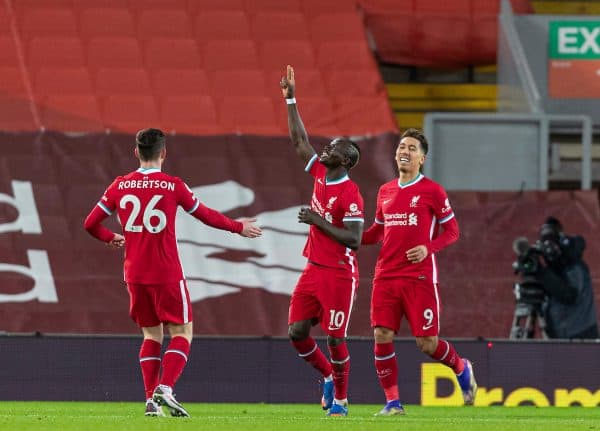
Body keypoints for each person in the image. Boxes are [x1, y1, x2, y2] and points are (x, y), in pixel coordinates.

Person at [83, 128, 262, 417]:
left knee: (151, 336)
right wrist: (238, 226)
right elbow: (205, 215)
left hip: (135, 274)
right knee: (182, 332)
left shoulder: (119, 186)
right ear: (164, 153)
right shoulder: (172, 185)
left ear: (136, 153)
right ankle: (165, 388)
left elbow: (90, 223)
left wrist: (110, 237)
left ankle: (150, 401)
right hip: (166, 272)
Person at [361, 128, 476, 415]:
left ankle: (461, 368)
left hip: (419, 277)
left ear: (421, 158)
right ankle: (393, 403)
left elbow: (452, 231)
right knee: (382, 335)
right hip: (386, 276)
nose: (404, 151)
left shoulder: (432, 191)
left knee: (427, 344)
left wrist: (428, 247)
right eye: (402, 146)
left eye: (412, 148)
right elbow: (377, 232)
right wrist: (347, 236)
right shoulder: (385, 191)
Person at [280, 65, 364, 417]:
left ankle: (341, 403)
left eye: (333, 147)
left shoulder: (351, 192)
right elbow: (300, 142)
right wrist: (291, 99)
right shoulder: (319, 173)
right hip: (313, 269)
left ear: (345, 160)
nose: (325, 147)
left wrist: (317, 220)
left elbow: (355, 239)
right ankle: (329, 375)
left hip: (340, 274)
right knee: (297, 333)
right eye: (327, 145)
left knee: (334, 337)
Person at [536, 217, 598, 339]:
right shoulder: (554, 269)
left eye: (552, 239)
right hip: (563, 335)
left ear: (561, 239)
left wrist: (541, 273)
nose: (549, 246)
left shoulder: (573, 264)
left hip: (580, 337)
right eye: (545, 241)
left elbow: (569, 295)